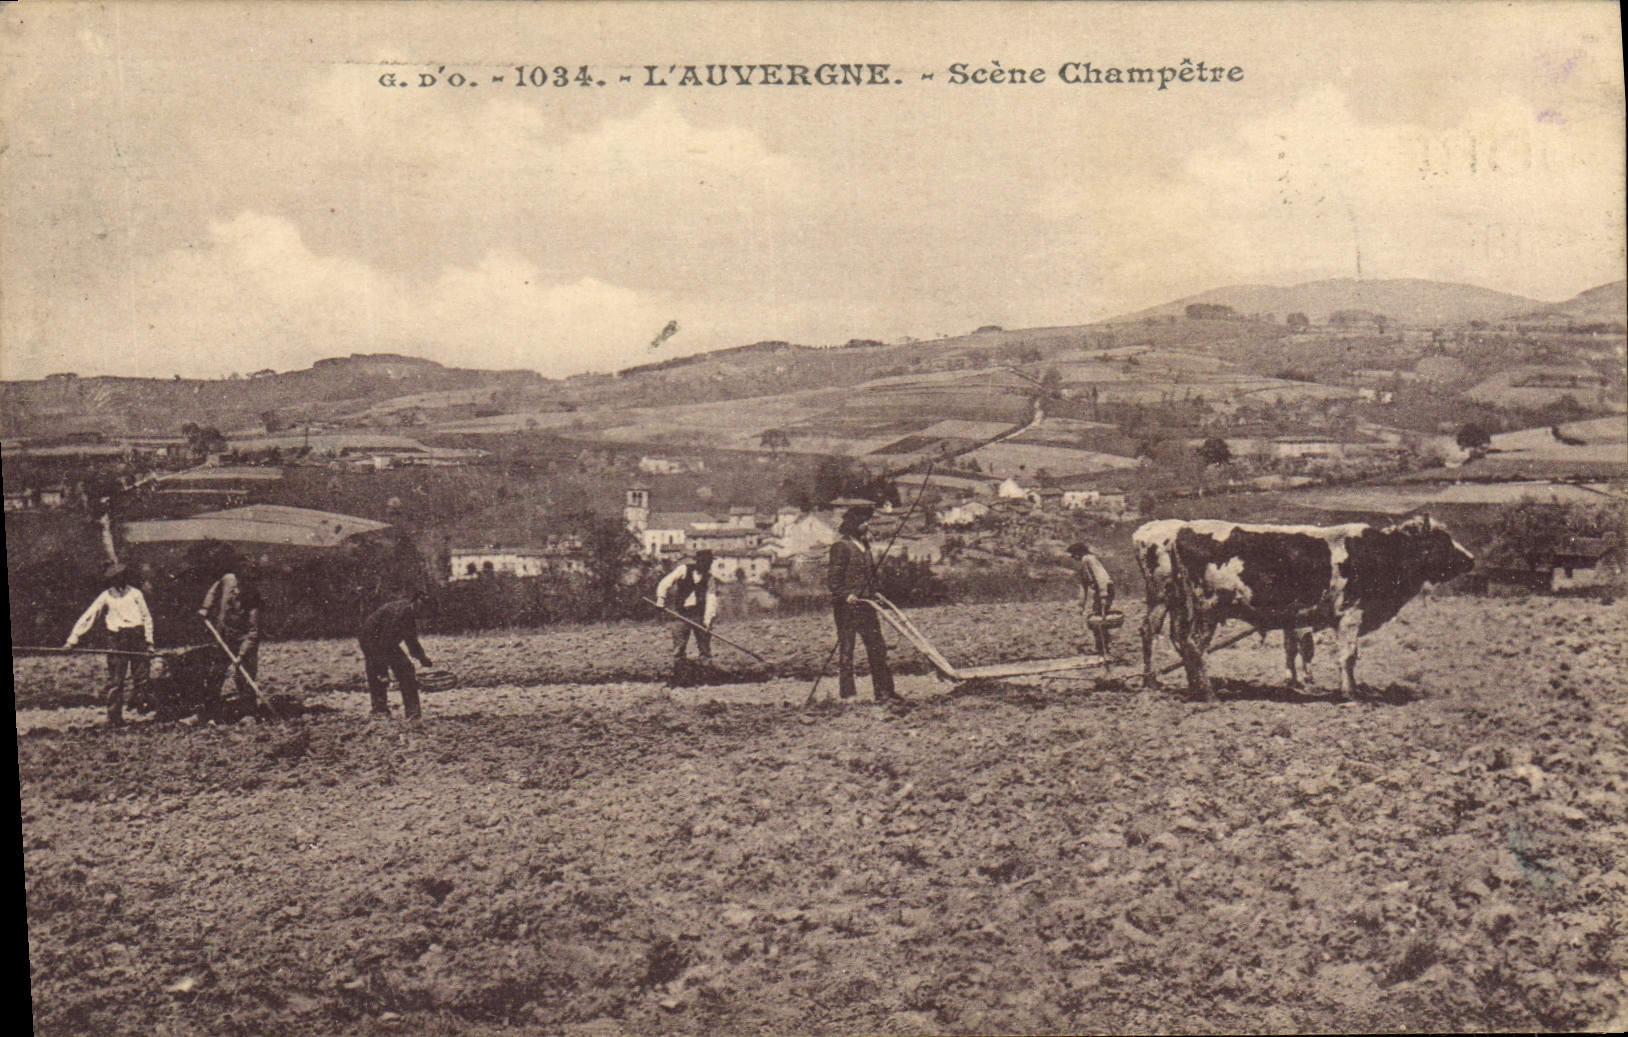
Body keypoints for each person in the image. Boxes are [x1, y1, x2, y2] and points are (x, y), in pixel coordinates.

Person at [64, 563, 154, 727]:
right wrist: (73, 639)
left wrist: (149, 642)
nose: (119, 580)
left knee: (142, 678)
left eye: (122, 576)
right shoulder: (105, 596)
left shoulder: (135, 594)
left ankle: (144, 714)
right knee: (116, 680)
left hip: (137, 637)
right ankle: (114, 717)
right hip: (117, 639)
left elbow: (147, 617)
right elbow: (89, 616)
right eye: (115, 578)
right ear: (111, 580)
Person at [827, 505, 898, 703]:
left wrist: (875, 592)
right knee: (847, 651)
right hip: (846, 608)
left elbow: (870, 577)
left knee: (878, 648)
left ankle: (884, 692)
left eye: (867, 521)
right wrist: (845, 595)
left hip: (866, 605)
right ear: (852, 526)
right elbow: (833, 581)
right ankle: (848, 695)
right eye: (862, 522)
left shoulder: (865, 548)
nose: (866, 525)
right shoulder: (841, 547)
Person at [197, 562, 265, 720]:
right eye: (241, 579)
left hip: (244, 642)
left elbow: (253, 633)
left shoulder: (253, 600)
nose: (242, 585)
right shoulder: (228, 579)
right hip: (223, 637)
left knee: (244, 676)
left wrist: (241, 656)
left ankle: (248, 713)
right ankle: (210, 713)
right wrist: (206, 607)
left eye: (248, 581)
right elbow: (214, 591)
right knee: (215, 674)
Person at [358, 592, 433, 724]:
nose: (424, 615)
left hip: (386, 642)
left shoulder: (410, 615)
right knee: (377, 674)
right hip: (370, 639)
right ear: (415, 604)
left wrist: (422, 658)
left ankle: (413, 714)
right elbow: (383, 644)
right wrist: (382, 671)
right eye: (423, 610)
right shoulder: (398, 615)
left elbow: (411, 641)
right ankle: (379, 711)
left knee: (407, 670)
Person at [654, 549, 717, 685]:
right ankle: (681, 678)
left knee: (704, 648)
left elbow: (711, 599)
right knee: (679, 648)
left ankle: (705, 679)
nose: (707, 565)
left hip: (699, 615)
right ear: (698, 561)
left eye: (709, 563)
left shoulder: (709, 578)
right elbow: (665, 582)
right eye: (705, 562)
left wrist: (708, 621)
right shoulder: (683, 569)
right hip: (681, 614)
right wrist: (661, 598)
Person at [1068, 542, 1116, 657]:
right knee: (1098, 619)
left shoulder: (1090, 559)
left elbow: (1101, 577)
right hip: (1100, 590)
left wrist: (1103, 595)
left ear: (1080, 552)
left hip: (1105, 588)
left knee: (1099, 620)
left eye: (1073, 554)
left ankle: (1104, 650)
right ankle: (1102, 648)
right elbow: (1083, 587)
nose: (1072, 557)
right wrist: (1081, 605)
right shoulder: (1082, 564)